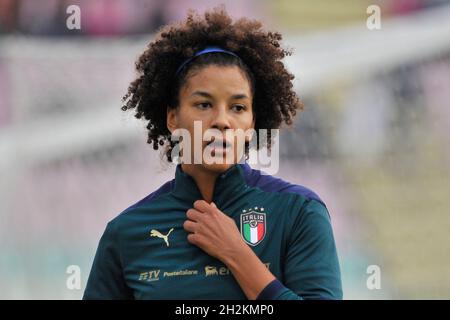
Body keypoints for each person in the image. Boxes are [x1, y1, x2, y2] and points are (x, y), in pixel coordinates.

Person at [83, 7, 342, 300]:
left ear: (252, 123)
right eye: (204, 104)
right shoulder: (126, 233)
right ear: (172, 118)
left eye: (238, 107)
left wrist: (236, 254)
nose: (222, 120)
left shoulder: (298, 212)